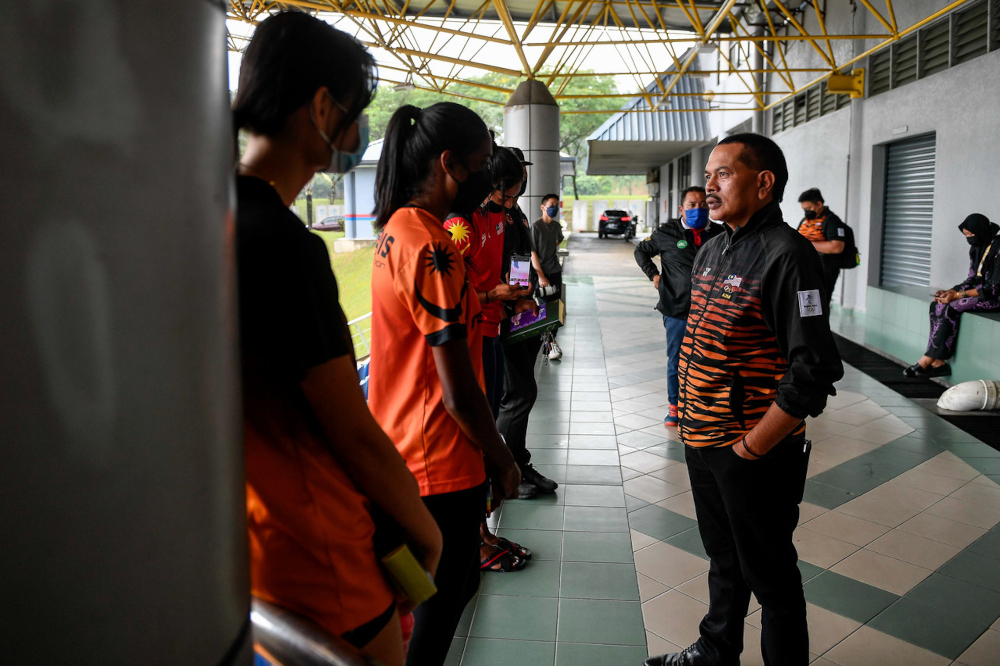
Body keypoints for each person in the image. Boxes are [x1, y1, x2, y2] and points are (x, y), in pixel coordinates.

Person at [232, 13, 443, 666]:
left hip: (251, 541)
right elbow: (351, 430)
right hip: (324, 555)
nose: (357, 134)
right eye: (354, 113)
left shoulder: (206, 219)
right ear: (321, 107)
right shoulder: (286, 249)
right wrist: (423, 530)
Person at [645, 134, 843, 666]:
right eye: (707, 175)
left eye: (723, 175)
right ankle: (716, 650)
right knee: (723, 559)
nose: (709, 187)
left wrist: (751, 449)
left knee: (772, 577)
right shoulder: (713, 246)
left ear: (763, 183)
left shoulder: (789, 255)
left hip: (752, 450)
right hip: (702, 438)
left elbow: (814, 371)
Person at [367, 102, 521, 666]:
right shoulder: (436, 249)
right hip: (439, 455)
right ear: (449, 163)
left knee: (443, 584)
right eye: (481, 163)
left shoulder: (397, 231)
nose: (488, 177)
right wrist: (502, 459)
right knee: (444, 591)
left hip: (404, 444)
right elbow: (456, 390)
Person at [446, 146, 538, 570]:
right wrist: (491, 295)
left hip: (494, 327)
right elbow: (452, 294)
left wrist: (514, 295)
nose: (510, 204)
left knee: (491, 412)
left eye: (516, 196)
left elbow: (502, 265)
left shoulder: (502, 216)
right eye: (506, 195)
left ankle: (481, 531)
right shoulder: (459, 224)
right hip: (470, 336)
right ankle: (474, 539)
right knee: (474, 429)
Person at [634, 186, 723, 427]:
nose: (698, 209)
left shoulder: (721, 233)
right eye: (692, 205)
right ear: (682, 209)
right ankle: (675, 406)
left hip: (713, 311)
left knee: (709, 359)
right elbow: (641, 251)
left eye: (703, 205)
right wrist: (653, 275)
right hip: (677, 309)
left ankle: (703, 406)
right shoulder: (666, 233)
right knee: (677, 359)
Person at [497, 165, 560, 501]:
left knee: (525, 393)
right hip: (491, 317)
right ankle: (505, 471)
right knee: (514, 397)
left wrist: (522, 297)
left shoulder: (514, 213)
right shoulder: (480, 216)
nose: (514, 195)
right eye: (511, 188)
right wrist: (508, 300)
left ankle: (519, 464)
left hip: (513, 309)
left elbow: (520, 257)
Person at [903, 213, 1000, 378]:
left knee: (953, 306)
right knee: (937, 304)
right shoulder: (977, 247)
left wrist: (958, 296)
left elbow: (994, 288)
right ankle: (937, 362)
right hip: (980, 293)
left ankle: (928, 358)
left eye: (971, 235)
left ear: (981, 231)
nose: (969, 239)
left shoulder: (998, 248)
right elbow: (972, 278)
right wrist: (950, 291)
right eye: (966, 236)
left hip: (995, 298)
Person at [796, 188, 847, 313]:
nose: (807, 212)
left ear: (819, 204)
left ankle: (819, 331)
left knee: (820, 304)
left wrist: (808, 244)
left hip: (824, 269)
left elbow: (837, 247)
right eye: (804, 210)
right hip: (804, 268)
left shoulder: (832, 221)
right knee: (805, 304)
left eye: (809, 209)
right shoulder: (806, 221)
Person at [531, 193, 565, 361]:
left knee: (556, 309)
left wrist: (551, 251)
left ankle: (551, 342)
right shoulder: (535, 227)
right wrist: (540, 275)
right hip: (542, 275)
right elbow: (533, 252)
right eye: (551, 204)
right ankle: (550, 345)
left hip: (555, 272)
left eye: (556, 205)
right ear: (543, 207)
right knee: (545, 309)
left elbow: (558, 241)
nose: (554, 208)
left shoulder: (557, 227)